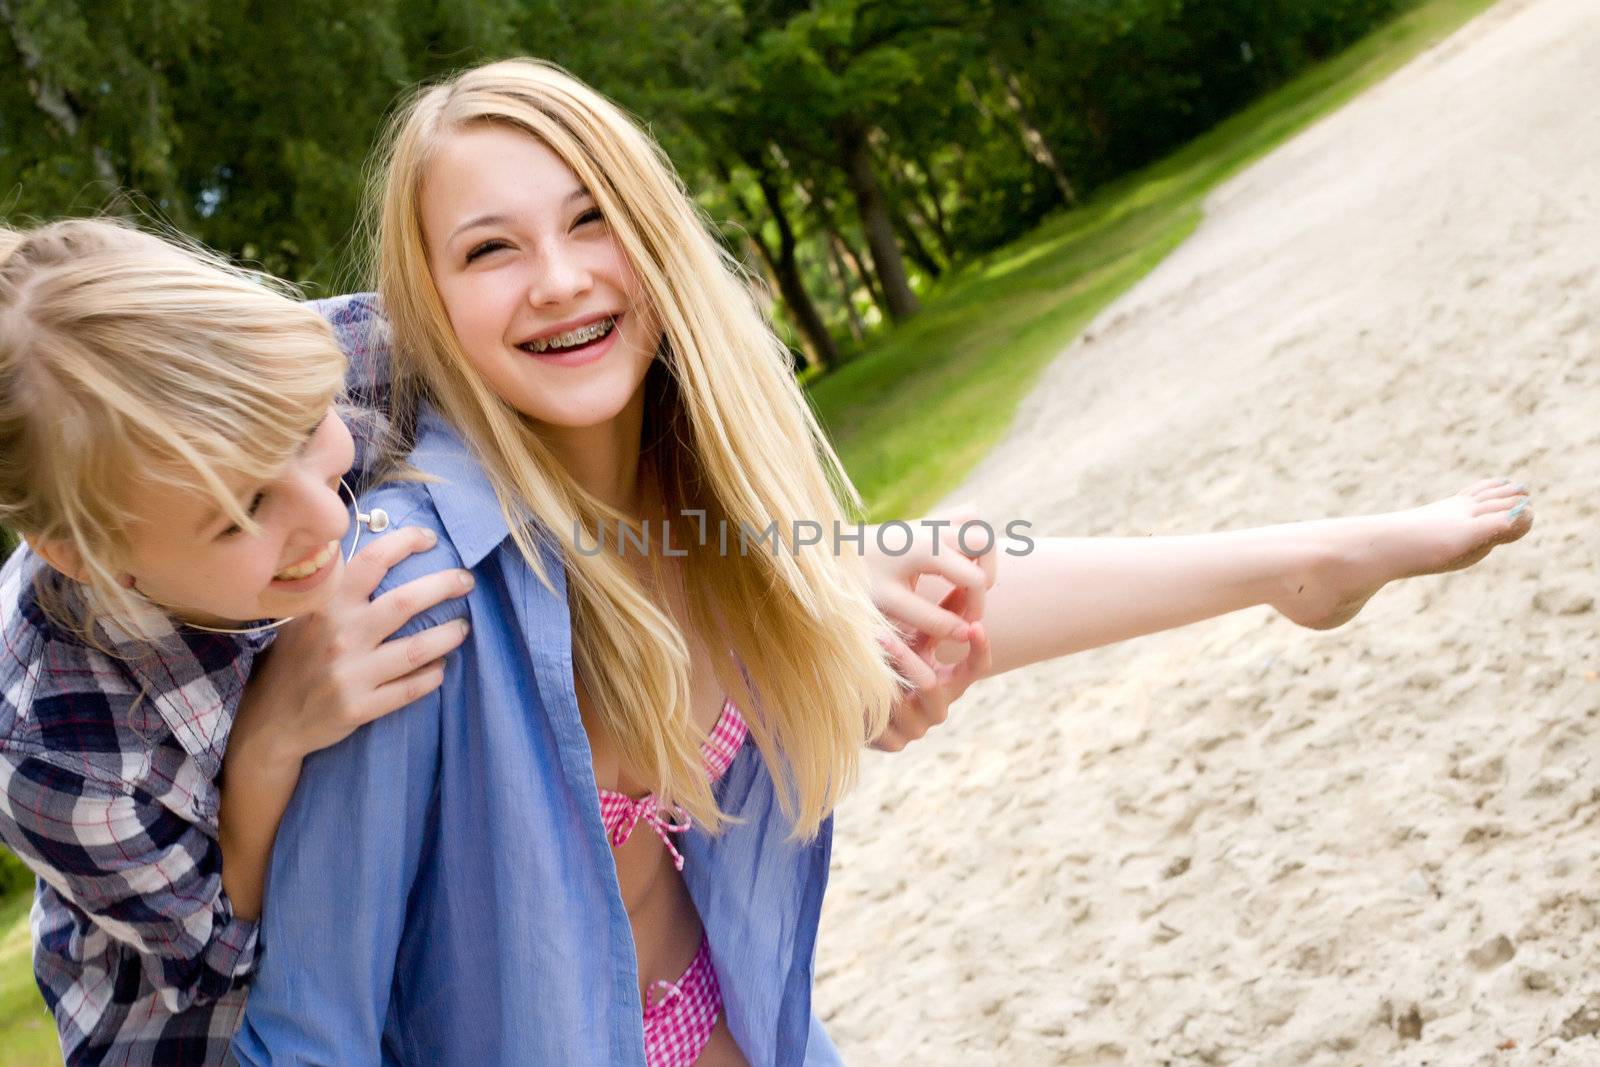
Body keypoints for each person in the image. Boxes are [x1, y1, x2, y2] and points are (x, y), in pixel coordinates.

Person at [233, 59, 1533, 1067]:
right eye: (489, 249)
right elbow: (315, 1016)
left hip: (741, 1022)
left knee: (878, 580)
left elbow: (918, 599)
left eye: (592, 220)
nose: (562, 279)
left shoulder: (700, 501)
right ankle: (1297, 562)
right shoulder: (410, 574)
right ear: (425, 304)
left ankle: (1295, 563)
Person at [0, 218, 479, 1065]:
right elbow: (218, 952)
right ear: (87, 554)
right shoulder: (52, 748)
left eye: (307, 430)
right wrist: (270, 737)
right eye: (240, 514)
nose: (328, 515)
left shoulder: (320, 358)